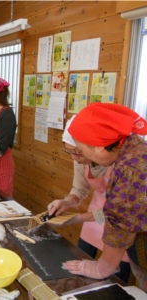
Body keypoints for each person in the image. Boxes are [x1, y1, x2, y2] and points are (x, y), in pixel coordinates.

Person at [62, 103, 147, 292]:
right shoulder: (131, 147)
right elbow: (116, 210)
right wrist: (76, 214)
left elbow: (122, 221)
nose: (79, 157)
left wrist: (103, 267)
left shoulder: (133, 165)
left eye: (82, 151)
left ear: (99, 147)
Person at [47, 115, 130, 282]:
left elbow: (117, 213)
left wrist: (77, 218)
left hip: (123, 225)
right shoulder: (80, 156)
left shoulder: (123, 163)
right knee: (80, 267)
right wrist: (67, 201)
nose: (74, 157)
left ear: (94, 146)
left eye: (77, 152)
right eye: (69, 151)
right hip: (94, 219)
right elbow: (80, 188)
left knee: (116, 278)